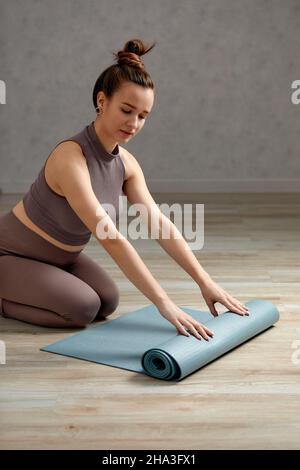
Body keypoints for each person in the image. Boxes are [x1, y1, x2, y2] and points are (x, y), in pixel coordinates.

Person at [0, 38, 249, 340]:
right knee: (83, 308)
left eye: (143, 116)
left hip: (62, 259)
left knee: (108, 301)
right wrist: (164, 303)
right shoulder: (70, 158)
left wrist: (204, 281)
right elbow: (112, 238)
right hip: (12, 254)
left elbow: (159, 224)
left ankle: (39, 285)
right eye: (127, 110)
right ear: (102, 102)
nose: (134, 123)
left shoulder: (127, 164)